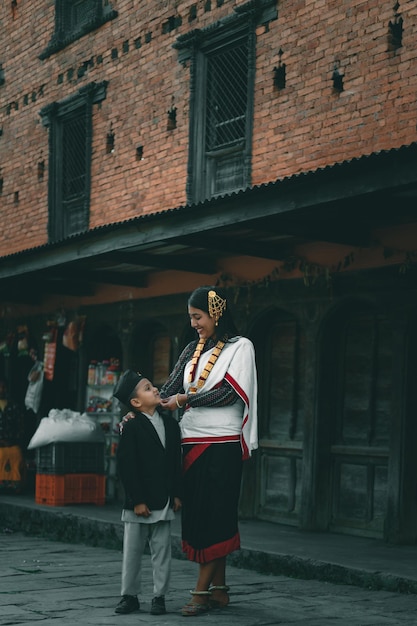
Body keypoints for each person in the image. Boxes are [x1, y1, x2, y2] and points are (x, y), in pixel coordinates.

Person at [160, 286, 258, 617]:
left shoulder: (241, 347)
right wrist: (145, 406)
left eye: (198, 317)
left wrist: (186, 400)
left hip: (222, 444)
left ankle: (200, 593)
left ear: (215, 314)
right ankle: (219, 590)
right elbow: (171, 387)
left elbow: (230, 393)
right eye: (190, 317)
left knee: (216, 514)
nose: (194, 324)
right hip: (191, 442)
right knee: (200, 514)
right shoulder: (191, 348)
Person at [113, 370, 182, 616]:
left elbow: (175, 463)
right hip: (139, 504)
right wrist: (136, 500)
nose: (155, 389)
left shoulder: (172, 426)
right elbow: (127, 466)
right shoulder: (131, 426)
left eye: (152, 386)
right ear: (135, 403)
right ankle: (129, 595)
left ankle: (159, 596)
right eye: (147, 388)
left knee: (162, 552)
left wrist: (176, 494)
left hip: (163, 500)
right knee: (132, 552)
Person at [0, 377, 26, 493]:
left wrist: (13, 441)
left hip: (11, 443)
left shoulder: (14, 406)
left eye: (3, 387)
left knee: (17, 454)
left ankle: (14, 484)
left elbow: (20, 427)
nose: (1, 390)